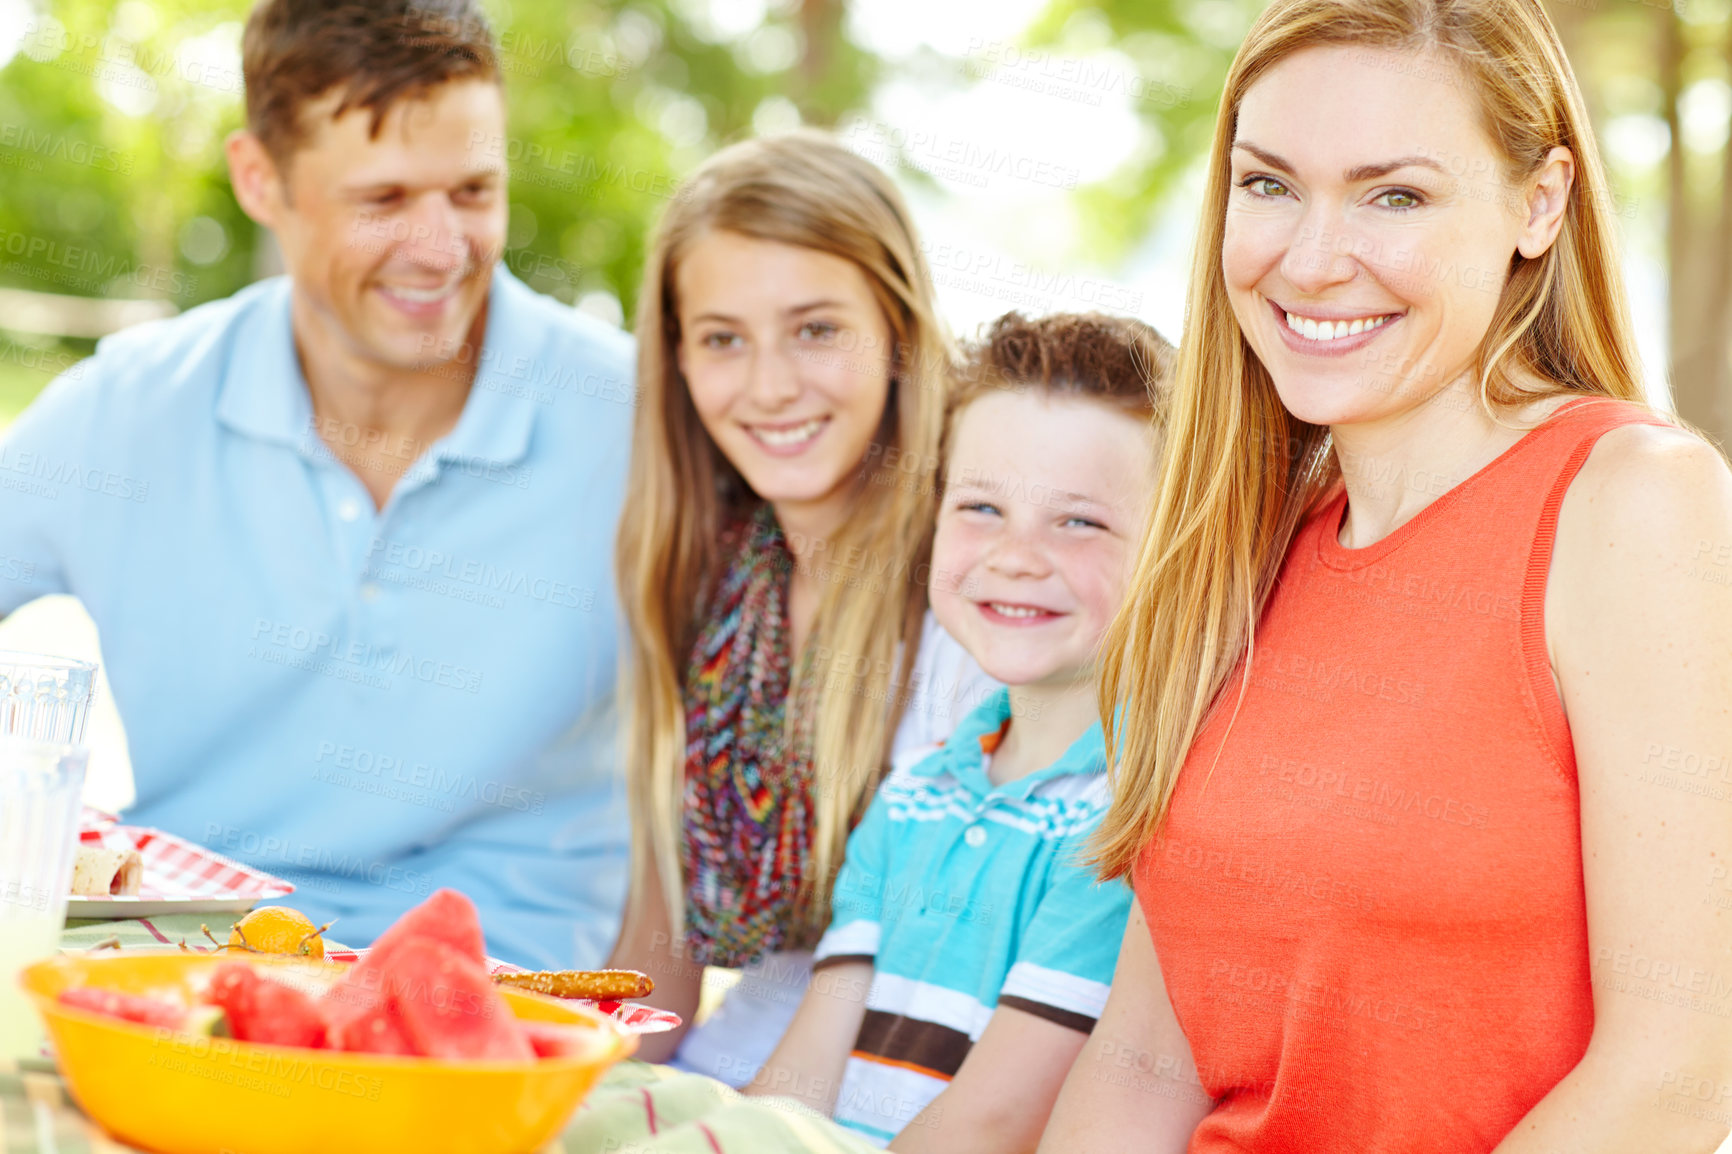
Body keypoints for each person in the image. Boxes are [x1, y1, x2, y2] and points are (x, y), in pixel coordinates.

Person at [1038, 0, 1732, 1151]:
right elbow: (1146, 1058)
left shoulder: (1635, 503)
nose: (1309, 260)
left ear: (1538, 202)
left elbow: (1678, 1071)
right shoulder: (1241, 546)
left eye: (1392, 194)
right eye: (1267, 185)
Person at [0, 0, 634, 970]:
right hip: (183, 989)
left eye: (472, 191)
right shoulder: (122, 413)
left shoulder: (641, 421)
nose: (439, 246)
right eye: (382, 200)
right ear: (261, 179)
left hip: (507, 1016)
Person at [607, 132, 997, 1078]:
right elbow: (657, 968)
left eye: (816, 329)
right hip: (727, 1077)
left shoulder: (982, 576)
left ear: (899, 330)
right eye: (722, 339)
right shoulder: (711, 585)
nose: (770, 386)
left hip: (900, 1093)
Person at [745, 312, 1171, 1150]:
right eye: (981, 508)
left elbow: (995, 1119)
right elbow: (797, 1083)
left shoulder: (1130, 820)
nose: (1015, 556)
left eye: (1079, 521)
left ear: (1174, 547)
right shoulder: (913, 799)